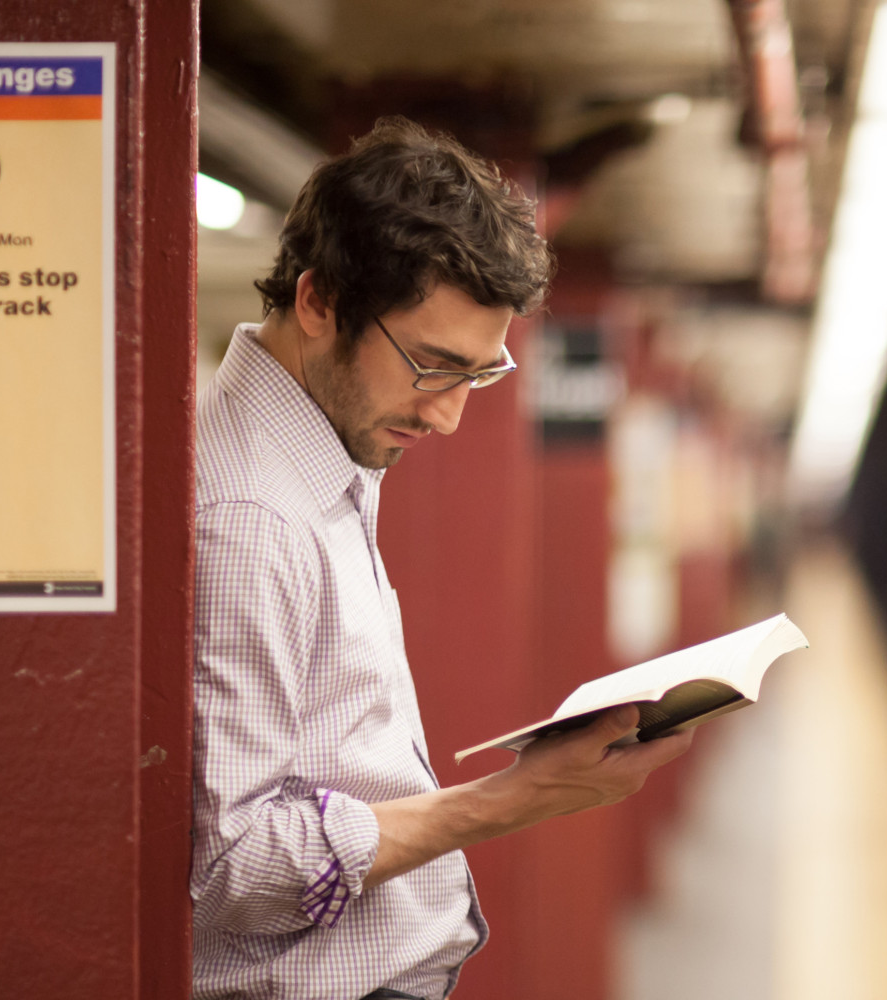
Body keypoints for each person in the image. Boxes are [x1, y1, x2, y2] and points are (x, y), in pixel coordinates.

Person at [191, 117, 692, 1000]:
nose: (448, 415)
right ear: (320, 302)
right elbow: (231, 867)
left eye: (479, 375)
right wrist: (511, 799)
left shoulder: (321, 453)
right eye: (431, 365)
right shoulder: (249, 522)